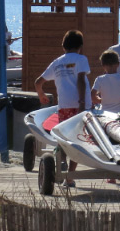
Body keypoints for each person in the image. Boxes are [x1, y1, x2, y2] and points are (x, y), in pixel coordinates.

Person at [35, 30, 91, 188]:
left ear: (63, 46)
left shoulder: (57, 62)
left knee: (64, 137)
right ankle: (70, 178)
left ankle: (61, 160)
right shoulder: (81, 59)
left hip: (64, 106)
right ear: (80, 46)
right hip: (81, 106)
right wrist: (81, 103)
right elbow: (80, 79)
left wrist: (41, 95)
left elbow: (38, 81)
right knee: (77, 140)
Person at [91, 49, 120, 113]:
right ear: (118, 64)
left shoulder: (99, 79)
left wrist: (102, 100)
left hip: (105, 113)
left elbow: (92, 96)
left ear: (103, 65)